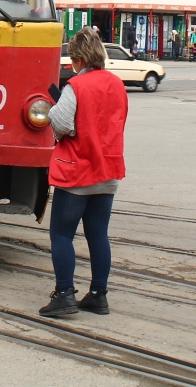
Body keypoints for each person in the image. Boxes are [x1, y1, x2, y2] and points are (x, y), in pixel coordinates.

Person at [40, 27, 128, 318]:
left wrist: (55, 113)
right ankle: (98, 295)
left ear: (78, 58)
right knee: (98, 234)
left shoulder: (76, 86)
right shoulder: (117, 84)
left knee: (62, 234)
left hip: (77, 170)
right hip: (108, 169)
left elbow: (63, 124)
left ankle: (64, 293)